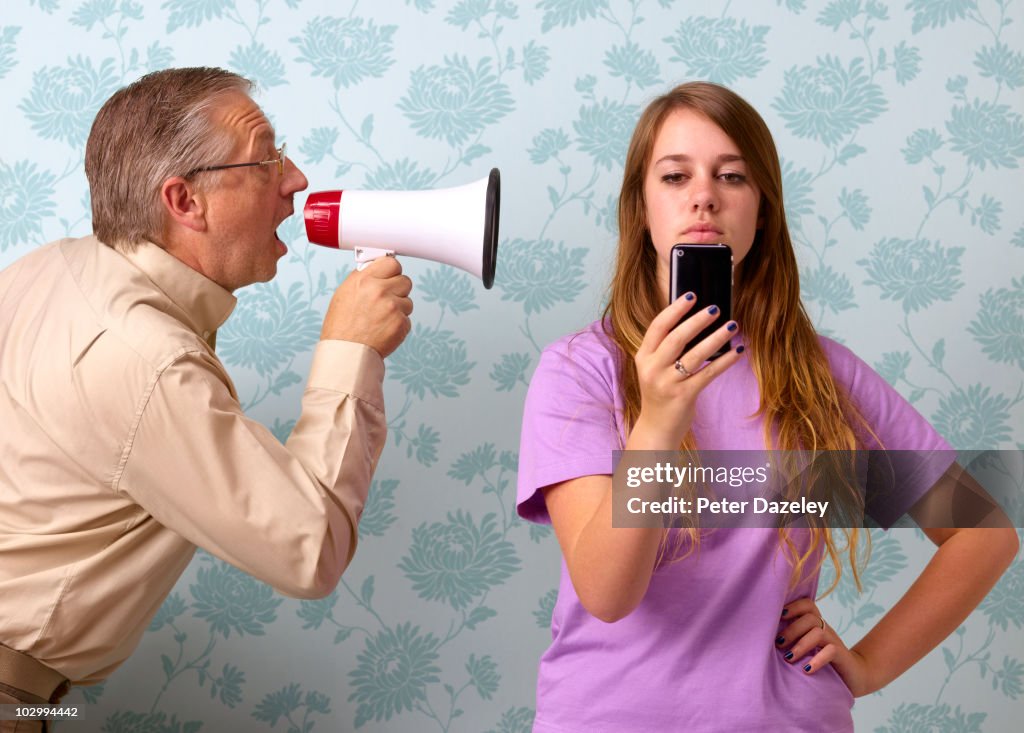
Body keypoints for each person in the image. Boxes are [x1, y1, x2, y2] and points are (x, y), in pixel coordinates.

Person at [516, 81, 1018, 732]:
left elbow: (984, 534)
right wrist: (662, 418)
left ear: (763, 211)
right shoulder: (581, 371)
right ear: (641, 209)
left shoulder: (823, 374)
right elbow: (608, 594)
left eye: (732, 176)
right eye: (674, 176)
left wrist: (866, 663)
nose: (704, 195)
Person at [0, 67, 413, 724]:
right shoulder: (144, 359)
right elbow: (310, 550)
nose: (296, 178)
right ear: (184, 201)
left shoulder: (49, 268)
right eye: (265, 157)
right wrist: (350, 352)